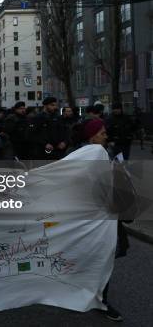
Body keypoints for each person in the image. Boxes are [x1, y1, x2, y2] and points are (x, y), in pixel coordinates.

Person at [76, 117, 124, 322]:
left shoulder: (107, 152)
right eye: (102, 133)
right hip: (88, 217)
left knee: (105, 255)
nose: (106, 136)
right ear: (92, 136)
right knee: (91, 255)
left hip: (108, 215)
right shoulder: (80, 155)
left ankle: (101, 299)